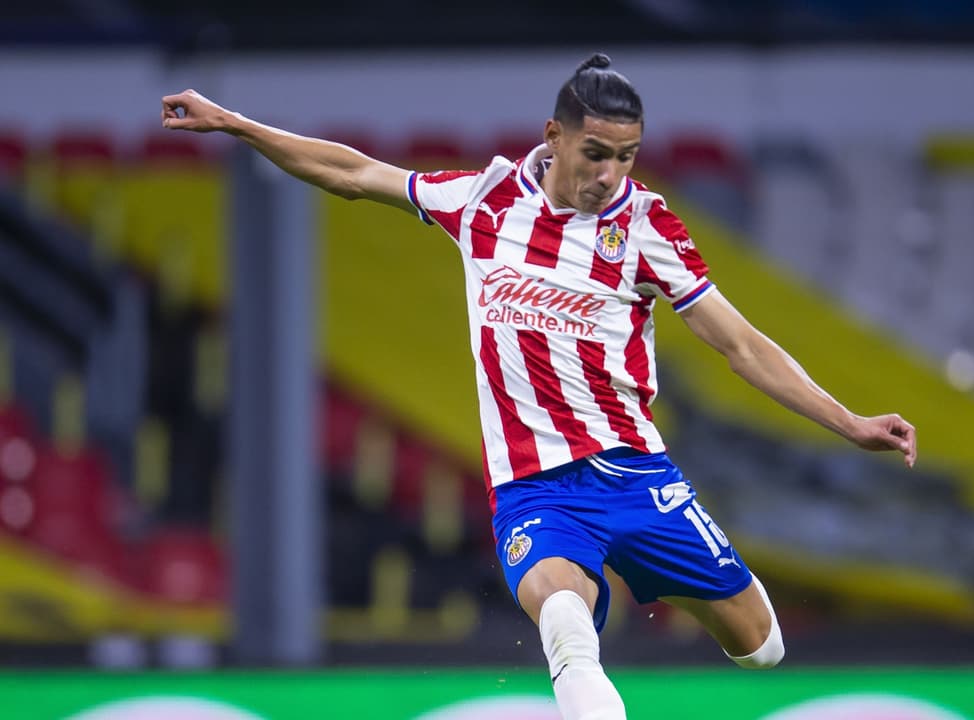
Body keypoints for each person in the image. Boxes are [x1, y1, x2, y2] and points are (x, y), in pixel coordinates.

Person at [161, 52, 917, 720]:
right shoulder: (483, 202)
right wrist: (235, 124)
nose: (609, 175)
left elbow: (740, 345)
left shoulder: (646, 228)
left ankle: (665, 580)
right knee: (565, 624)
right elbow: (355, 174)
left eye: (626, 157)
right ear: (554, 136)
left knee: (762, 648)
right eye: (596, 153)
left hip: (638, 476)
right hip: (534, 489)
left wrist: (848, 421)